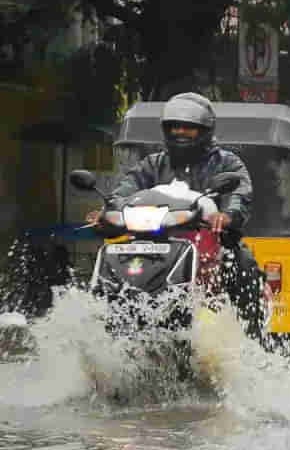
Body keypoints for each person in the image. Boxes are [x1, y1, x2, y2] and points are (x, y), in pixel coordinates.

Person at [89, 92, 263, 337]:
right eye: (174, 127)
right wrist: (109, 211)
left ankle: (251, 337)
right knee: (115, 260)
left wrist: (228, 215)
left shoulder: (227, 163)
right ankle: (98, 324)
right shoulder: (152, 164)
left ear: (205, 131)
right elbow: (125, 190)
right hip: (151, 241)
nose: (180, 132)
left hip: (209, 242)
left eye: (188, 128)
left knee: (243, 263)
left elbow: (240, 193)